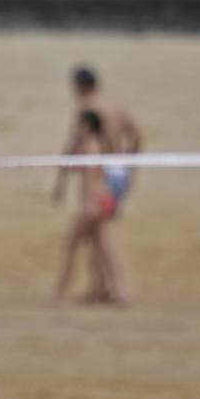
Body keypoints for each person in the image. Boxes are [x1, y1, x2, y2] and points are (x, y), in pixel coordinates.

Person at [51, 109, 125, 305]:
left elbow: (91, 177)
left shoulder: (89, 147)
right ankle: (119, 292)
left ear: (87, 126)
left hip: (93, 203)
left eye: (79, 125)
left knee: (71, 245)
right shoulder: (99, 146)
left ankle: (58, 294)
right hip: (103, 201)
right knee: (105, 249)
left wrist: (91, 205)